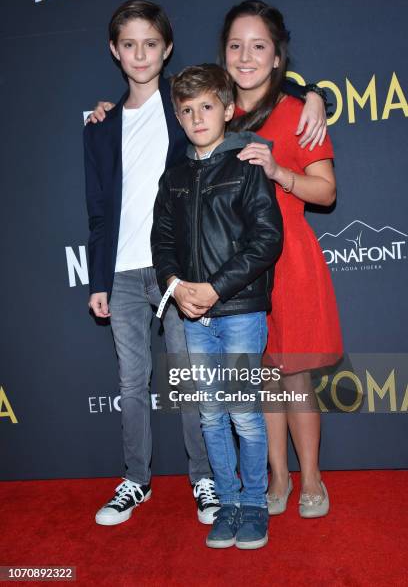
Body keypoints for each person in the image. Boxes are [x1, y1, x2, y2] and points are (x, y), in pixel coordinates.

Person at [84, 0, 219, 527]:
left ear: (166, 50)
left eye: (151, 43)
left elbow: (245, 89)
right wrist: (97, 279)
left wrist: (312, 93)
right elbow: (98, 210)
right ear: (115, 51)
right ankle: (136, 480)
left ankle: (204, 477)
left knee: (189, 379)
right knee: (132, 383)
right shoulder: (99, 125)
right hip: (119, 273)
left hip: (178, 270)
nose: (140, 53)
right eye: (129, 44)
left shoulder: (185, 105)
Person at [151, 63, 283, 549]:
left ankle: (253, 505)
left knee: (245, 414)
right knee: (209, 414)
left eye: (207, 106)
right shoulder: (174, 177)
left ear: (227, 110)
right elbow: (161, 242)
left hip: (241, 311)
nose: (197, 117)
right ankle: (226, 504)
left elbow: (267, 240)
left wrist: (215, 289)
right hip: (193, 314)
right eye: (186, 110)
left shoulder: (247, 167)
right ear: (178, 117)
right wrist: (176, 284)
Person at [220, 0, 343, 518]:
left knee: (293, 376)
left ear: (276, 57)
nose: (245, 56)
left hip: (288, 256)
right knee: (262, 374)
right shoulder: (217, 111)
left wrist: (277, 171)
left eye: (258, 46)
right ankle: (278, 475)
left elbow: (327, 191)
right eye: (235, 45)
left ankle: (312, 478)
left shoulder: (297, 112)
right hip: (235, 260)